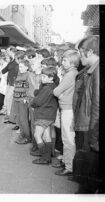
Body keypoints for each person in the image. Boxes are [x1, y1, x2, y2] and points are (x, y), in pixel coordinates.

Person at [72, 35, 100, 193]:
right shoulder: (91, 70)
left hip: (91, 129)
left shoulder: (97, 71)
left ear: (89, 52)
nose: (79, 55)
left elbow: (97, 105)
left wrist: (93, 139)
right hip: (88, 126)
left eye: (81, 52)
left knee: (88, 179)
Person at [53, 49, 80, 176]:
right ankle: (66, 162)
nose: (62, 62)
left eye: (64, 60)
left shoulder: (70, 75)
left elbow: (56, 91)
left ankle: (69, 167)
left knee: (68, 139)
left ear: (73, 62)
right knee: (67, 138)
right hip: (67, 108)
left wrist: (60, 93)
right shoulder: (71, 73)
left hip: (68, 109)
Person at [30, 67, 59, 164]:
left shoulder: (47, 88)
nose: (42, 78)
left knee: (37, 135)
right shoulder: (53, 86)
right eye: (42, 76)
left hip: (43, 114)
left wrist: (33, 101)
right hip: (50, 115)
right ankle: (48, 154)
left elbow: (38, 101)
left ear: (51, 78)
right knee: (47, 136)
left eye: (44, 76)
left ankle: (44, 157)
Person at [13, 59, 34, 145]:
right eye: (19, 66)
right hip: (16, 99)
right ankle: (22, 134)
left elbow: (30, 87)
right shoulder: (19, 73)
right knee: (19, 119)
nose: (19, 68)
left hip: (23, 100)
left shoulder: (28, 75)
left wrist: (26, 98)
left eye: (21, 66)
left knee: (23, 119)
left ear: (26, 67)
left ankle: (27, 136)